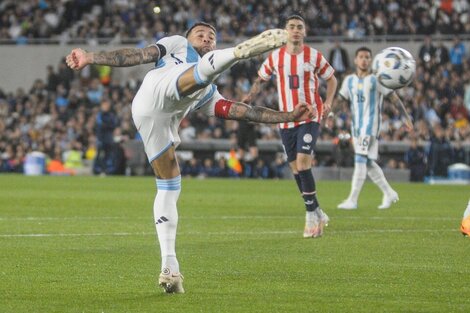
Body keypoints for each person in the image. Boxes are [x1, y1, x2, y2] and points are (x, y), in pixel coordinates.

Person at [66, 23, 315, 294]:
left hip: (157, 120)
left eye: (212, 37)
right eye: (201, 34)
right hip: (157, 88)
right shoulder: (176, 45)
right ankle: (238, 52)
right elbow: (139, 55)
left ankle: (169, 267)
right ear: (187, 38)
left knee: (170, 185)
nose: (207, 38)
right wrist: (91, 57)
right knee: (203, 70)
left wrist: (287, 116)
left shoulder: (207, 92)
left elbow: (241, 111)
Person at [243, 15, 337, 238]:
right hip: (285, 119)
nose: (296, 30)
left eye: (299, 27)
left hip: (309, 116)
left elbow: (331, 79)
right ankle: (316, 209)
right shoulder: (276, 57)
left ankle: (310, 214)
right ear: (285, 32)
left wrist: (329, 102)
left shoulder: (314, 55)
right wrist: (249, 96)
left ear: (304, 31)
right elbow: (260, 78)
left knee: (304, 164)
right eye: (292, 27)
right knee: (295, 170)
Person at [332, 47, 400, 210]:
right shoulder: (349, 80)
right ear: (355, 60)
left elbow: (393, 97)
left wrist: (406, 117)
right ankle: (389, 192)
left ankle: (353, 200)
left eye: (367, 57)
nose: (364, 60)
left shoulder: (377, 80)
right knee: (368, 162)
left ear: (371, 60)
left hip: (370, 127)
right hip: (356, 127)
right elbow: (340, 99)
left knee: (360, 159)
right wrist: (330, 115)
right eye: (361, 57)